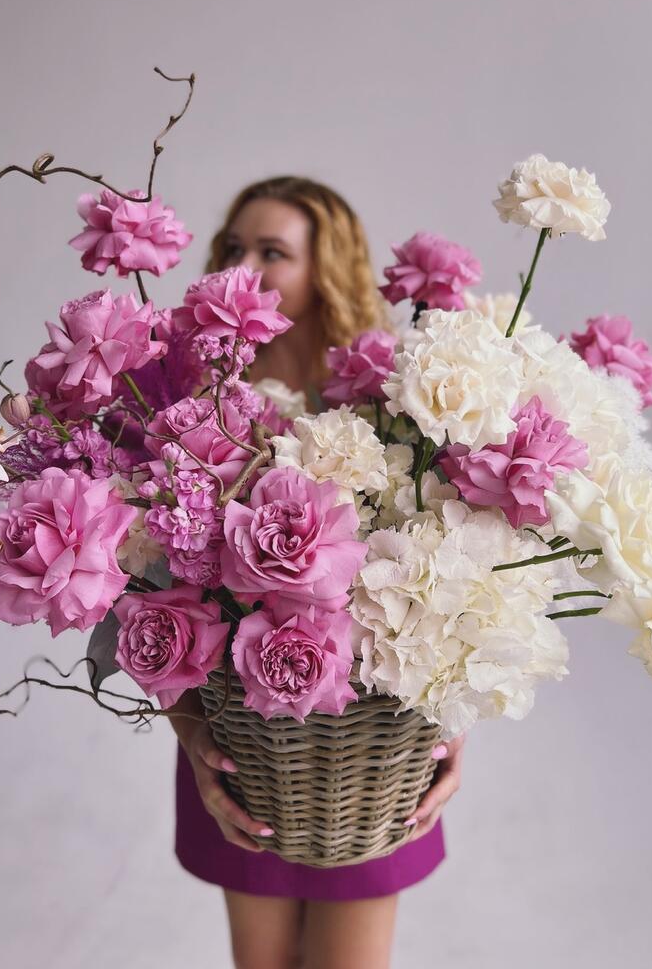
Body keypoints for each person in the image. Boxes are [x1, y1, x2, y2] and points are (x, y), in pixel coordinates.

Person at [166, 176, 467, 969]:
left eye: (274, 251)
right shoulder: (194, 402)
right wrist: (195, 742)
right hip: (239, 753)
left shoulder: (396, 402)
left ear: (324, 265)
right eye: (234, 247)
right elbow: (150, 606)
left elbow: (461, 585)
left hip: (369, 761)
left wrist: (452, 725)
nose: (245, 267)